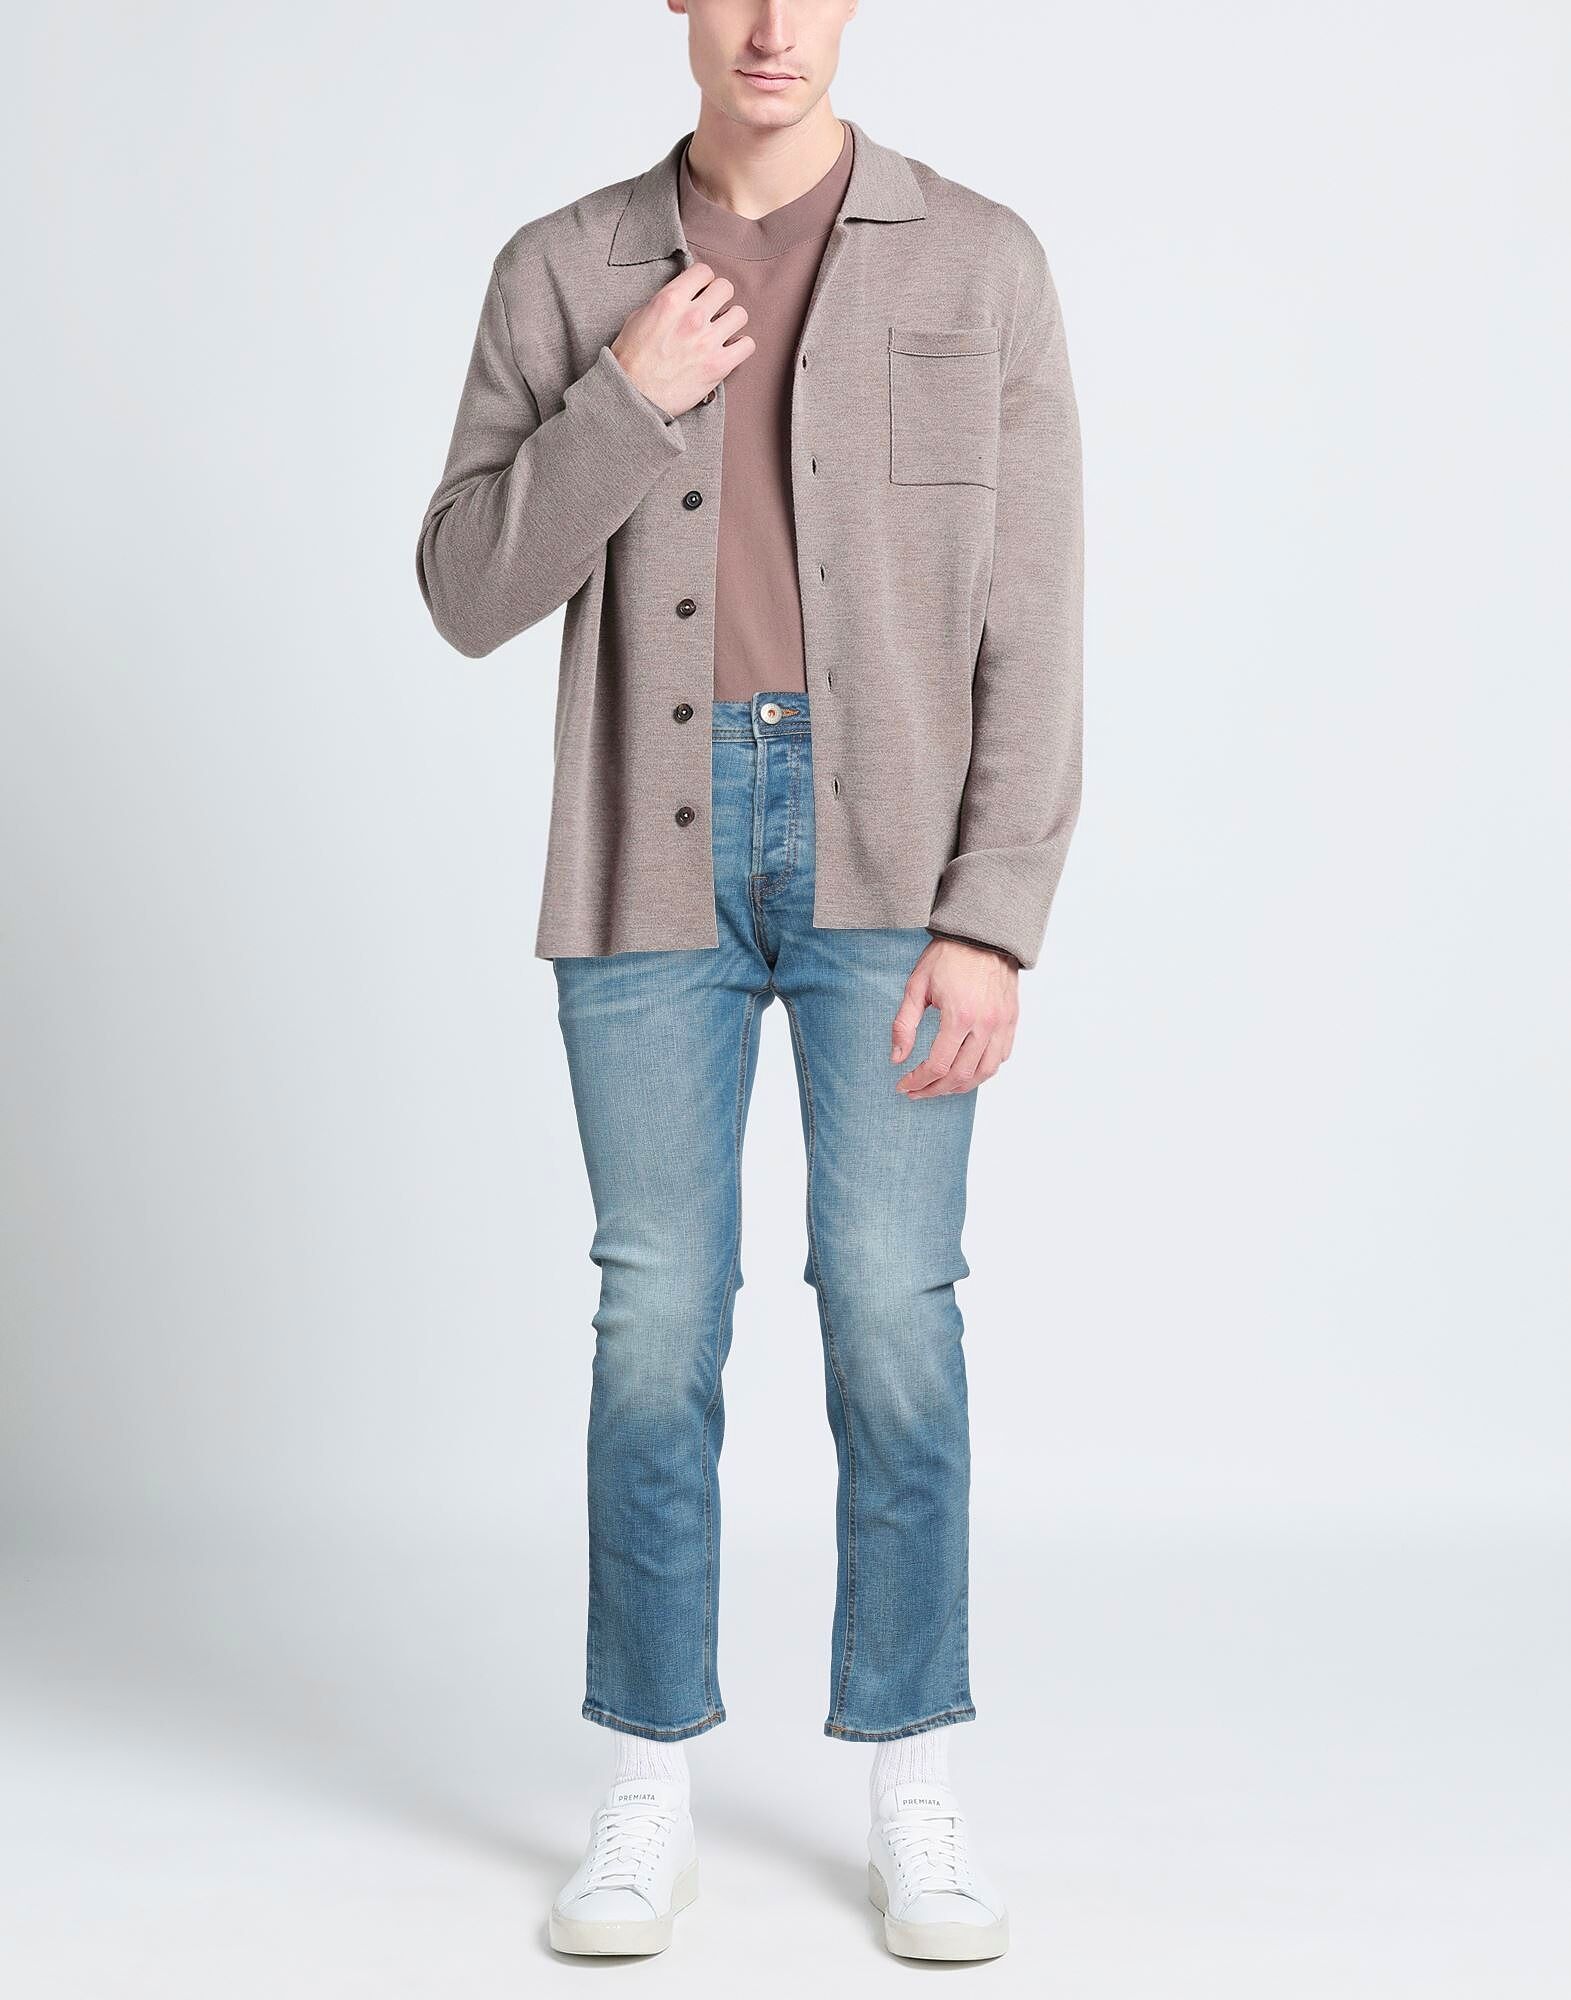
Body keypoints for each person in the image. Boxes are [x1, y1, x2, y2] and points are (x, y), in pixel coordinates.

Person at [415, 0, 1082, 1964]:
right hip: (652, 843)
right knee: (654, 1326)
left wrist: (995, 912)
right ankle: (645, 1784)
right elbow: (464, 589)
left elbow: (1038, 615)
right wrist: (624, 394)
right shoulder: (566, 269)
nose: (775, 26)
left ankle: (915, 1783)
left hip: (894, 855)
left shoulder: (982, 262)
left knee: (893, 1316)